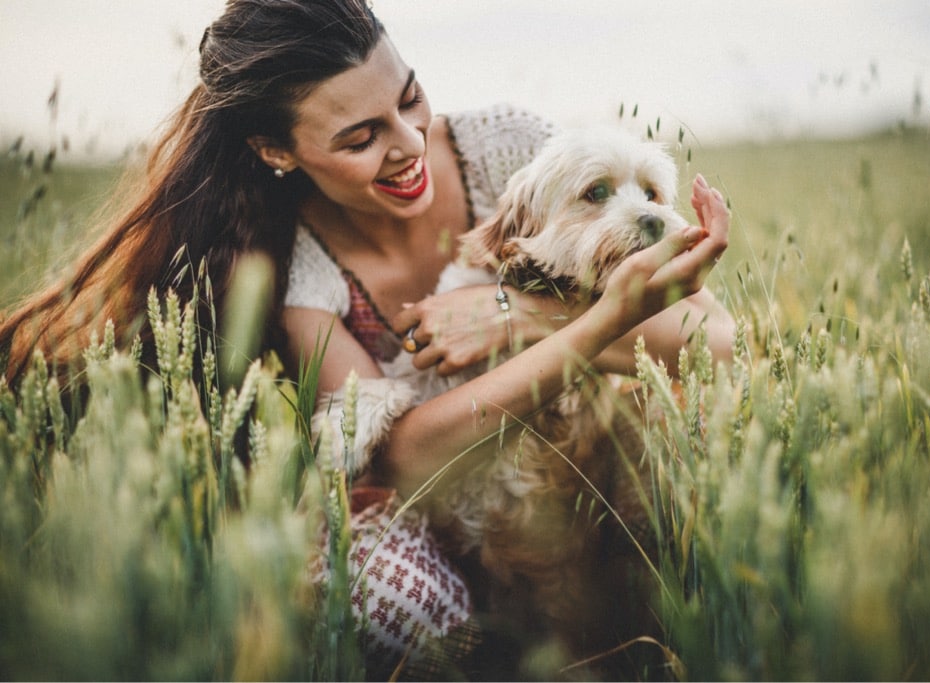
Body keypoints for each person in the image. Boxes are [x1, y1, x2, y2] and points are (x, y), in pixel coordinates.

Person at [0, 0, 732, 676]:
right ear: (276, 149)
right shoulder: (289, 261)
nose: (409, 142)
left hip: (590, 500)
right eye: (360, 136)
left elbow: (714, 340)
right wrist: (601, 323)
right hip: (444, 514)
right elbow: (405, 455)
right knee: (391, 595)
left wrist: (521, 315)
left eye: (409, 98)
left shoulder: (512, 152)